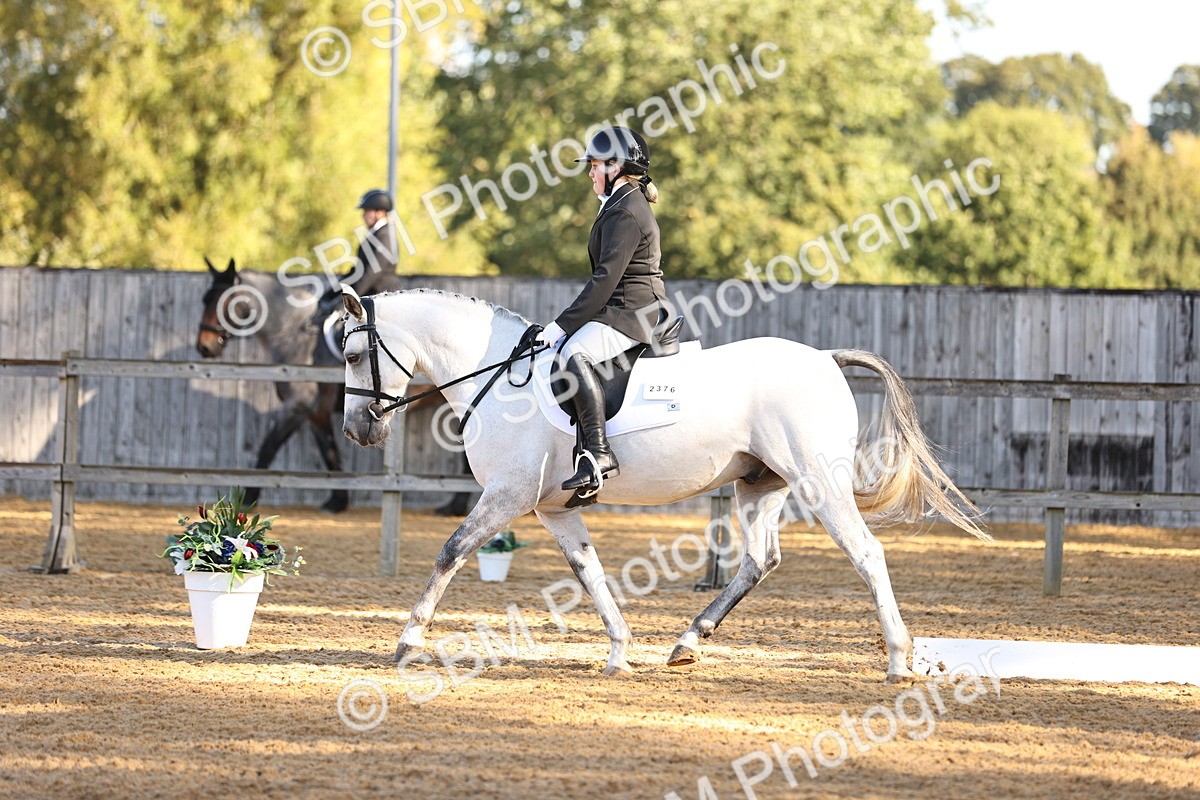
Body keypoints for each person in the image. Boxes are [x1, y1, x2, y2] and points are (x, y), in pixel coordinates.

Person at [536, 126, 668, 494]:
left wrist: (562, 325)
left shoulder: (625, 211)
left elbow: (606, 279)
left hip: (631, 311)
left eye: (594, 166)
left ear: (616, 167)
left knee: (574, 351)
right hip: (622, 307)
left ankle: (598, 452)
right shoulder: (620, 203)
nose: (589, 173)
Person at [314, 189, 398, 322]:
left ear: (380, 213)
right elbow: (357, 272)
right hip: (369, 298)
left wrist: (348, 301)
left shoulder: (385, 236)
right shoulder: (374, 235)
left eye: (367, 212)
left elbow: (371, 274)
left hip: (381, 301)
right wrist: (332, 293)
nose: (363, 216)